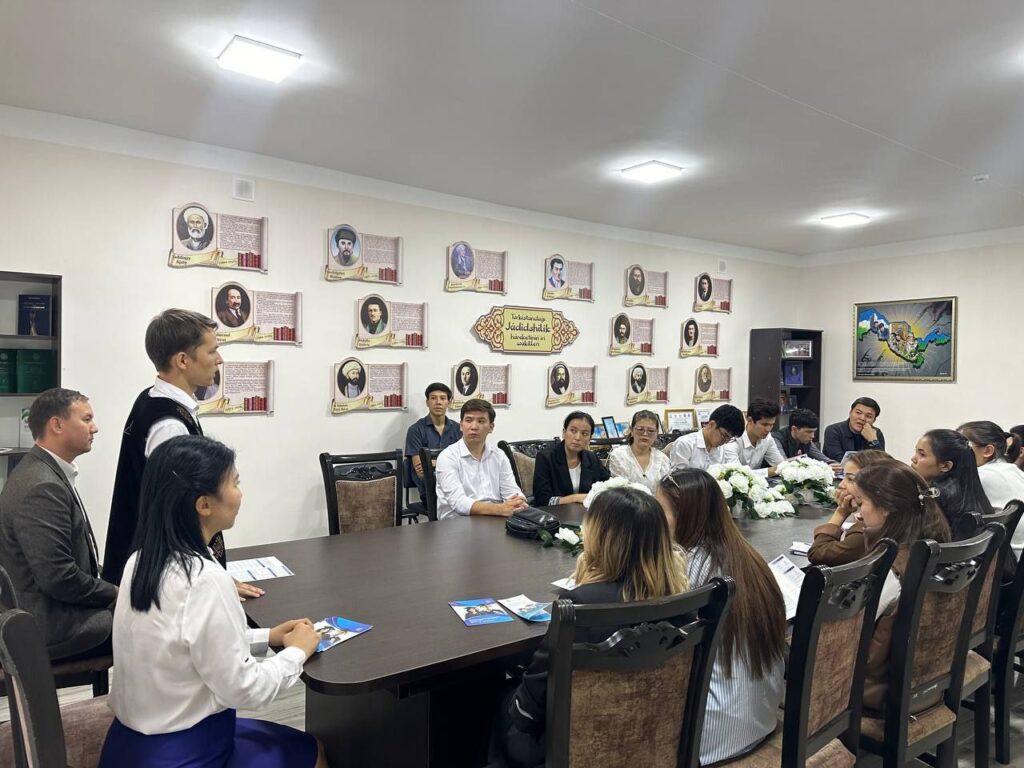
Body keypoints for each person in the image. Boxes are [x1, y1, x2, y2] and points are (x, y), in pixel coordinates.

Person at [98, 436, 327, 768]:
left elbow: (182, 642)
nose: (240, 493)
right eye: (234, 482)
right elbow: (246, 690)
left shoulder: (141, 561)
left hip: (128, 745)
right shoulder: (205, 579)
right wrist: (297, 653)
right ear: (204, 505)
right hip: (187, 751)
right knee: (312, 750)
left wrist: (268, 636)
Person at [495, 487, 688, 768]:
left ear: (602, 538)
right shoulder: (682, 600)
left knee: (494, 702)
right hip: (653, 740)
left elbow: (527, 712)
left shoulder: (583, 606)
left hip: (575, 750)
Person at [105, 310, 260, 600]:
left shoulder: (153, 399)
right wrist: (214, 580)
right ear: (183, 360)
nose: (219, 359)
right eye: (212, 351)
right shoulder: (169, 425)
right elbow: (180, 514)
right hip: (171, 581)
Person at [656, 469, 786, 765]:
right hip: (761, 716)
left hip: (712, 733)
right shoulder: (745, 555)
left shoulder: (688, 564)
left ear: (685, 515)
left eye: (660, 511)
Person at [0, 388, 116, 660]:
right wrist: (114, 592)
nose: (95, 428)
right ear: (57, 425)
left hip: (38, 611)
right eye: (86, 419)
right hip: (45, 625)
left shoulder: (39, 470)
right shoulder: (42, 486)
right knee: (139, 620)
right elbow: (59, 579)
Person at [845, 462, 950, 713]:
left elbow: (846, 629)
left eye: (861, 503)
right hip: (926, 679)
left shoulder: (890, 570)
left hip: (874, 688)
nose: (857, 514)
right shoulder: (929, 545)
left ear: (888, 508)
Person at [434, 399, 527, 520]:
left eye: (481, 421)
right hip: (457, 522)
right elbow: (459, 503)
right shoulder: (447, 457)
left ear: (491, 427)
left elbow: (513, 493)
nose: (474, 426)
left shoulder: (499, 456)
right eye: (468, 420)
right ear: (461, 425)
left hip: (496, 518)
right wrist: (500, 509)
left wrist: (518, 501)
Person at [807, 450, 894, 566]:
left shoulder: (868, 530)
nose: (841, 485)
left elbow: (817, 554)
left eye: (850, 479)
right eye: (844, 477)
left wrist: (840, 513)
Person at [910, 429, 992, 536]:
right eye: (916, 451)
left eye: (922, 454)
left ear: (945, 466)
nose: (913, 459)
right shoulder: (968, 489)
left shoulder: (937, 496)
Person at [532, 412, 610, 505]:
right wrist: (575, 498)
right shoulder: (546, 458)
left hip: (586, 512)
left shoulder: (592, 458)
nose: (578, 437)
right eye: (573, 431)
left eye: (584, 434)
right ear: (564, 432)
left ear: (590, 438)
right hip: (555, 512)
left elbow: (608, 486)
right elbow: (542, 499)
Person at [958, 420, 1024, 519]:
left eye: (962, 446)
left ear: (988, 451)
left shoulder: (981, 475)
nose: (955, 452)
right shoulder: (1014, 470)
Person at [404, 382, 461, 493]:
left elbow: (465, 464)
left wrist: (433, 463)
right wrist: (452, 464)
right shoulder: (415, 430)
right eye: (433, 398)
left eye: (443, 398)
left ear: (448, 402)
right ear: (427, 402)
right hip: (429, 491)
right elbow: (421, 472)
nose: (438, 402)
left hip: (456, 486)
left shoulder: (458, 429)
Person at [721, 398, 787, 478]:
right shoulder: (733, 439)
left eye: (771, 424)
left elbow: (781, 465)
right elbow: (736, 474)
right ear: (750, 420)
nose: (768, 429)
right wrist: (769, 471)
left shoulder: (767, 438)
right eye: (764, 424)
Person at [608, 410, 671, 491]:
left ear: (656, 433)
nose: (645, 434)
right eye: (640, 429)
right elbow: (619, 489)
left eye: (651, 431)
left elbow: (666, 490)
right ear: (631, 430)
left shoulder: (663, 459)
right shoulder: (619, 455)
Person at [669, 404, 744, 471]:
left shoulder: (721, 449)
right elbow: (678, 479)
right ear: (712, 424)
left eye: (729, 438)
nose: (725, 442)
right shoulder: (685, 444)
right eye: (724, 435)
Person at [822, 397, 886, 461]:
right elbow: (840, 460)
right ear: (850, 413)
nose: (862, 418)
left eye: (868, 416)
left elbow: (882, 463)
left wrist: (873, 441)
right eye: (858, 413)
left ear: (874, 420)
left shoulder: (876, 433)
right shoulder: (833, 430)